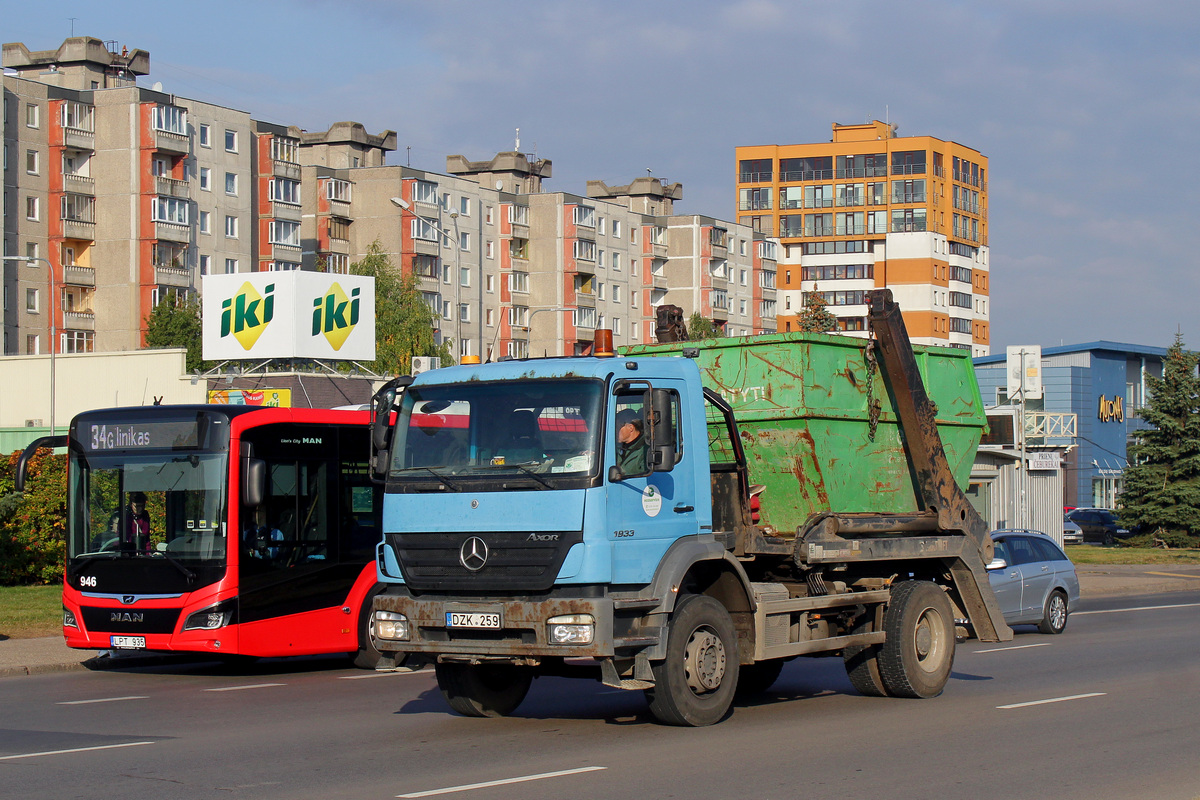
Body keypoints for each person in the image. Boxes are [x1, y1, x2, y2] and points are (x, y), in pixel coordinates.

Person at [615, 408, 647, 475]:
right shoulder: (617, 447)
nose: (615, 431)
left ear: (631, 428)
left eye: (617, 427)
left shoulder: (644, 450)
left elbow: (644, 475)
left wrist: (621, 472)